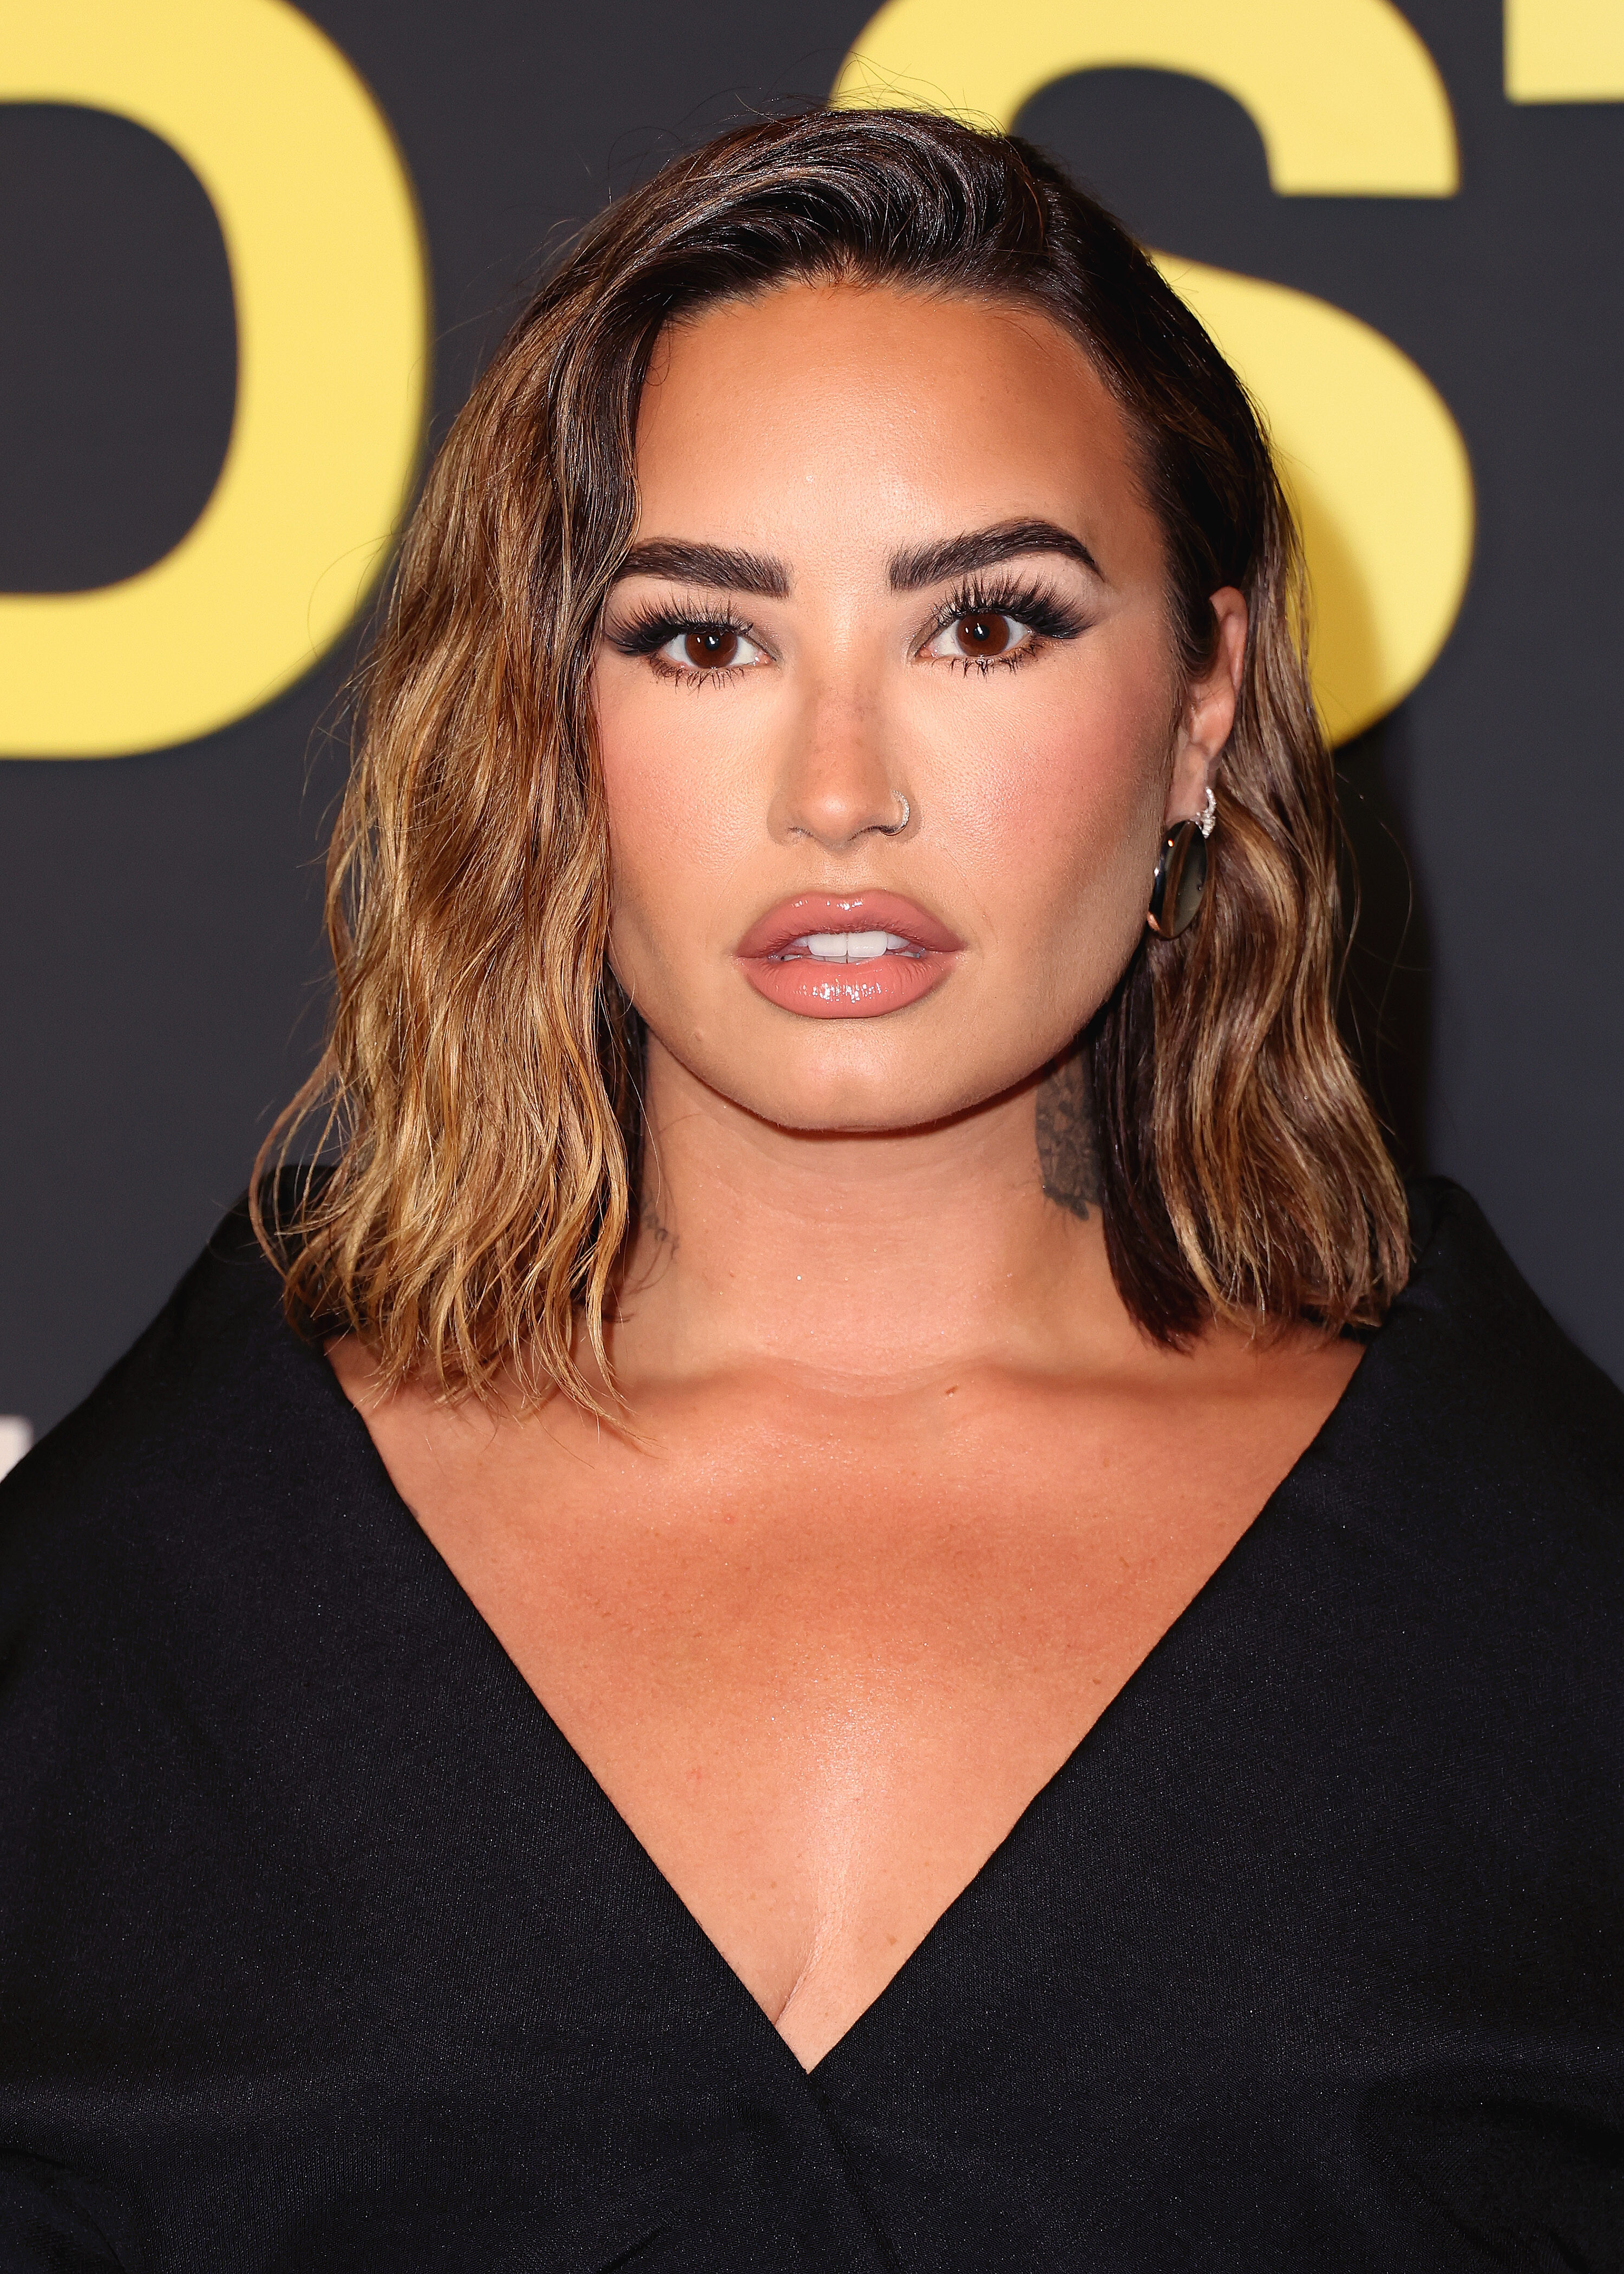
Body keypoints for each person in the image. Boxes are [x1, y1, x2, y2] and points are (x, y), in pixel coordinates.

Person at [1, 107, 1619, 2273]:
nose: (840, 790)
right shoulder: (135, 1606)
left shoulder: (1546, 1598)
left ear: (1204, 703)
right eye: (701, 640)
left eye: (991, 625)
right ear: (546, 718)